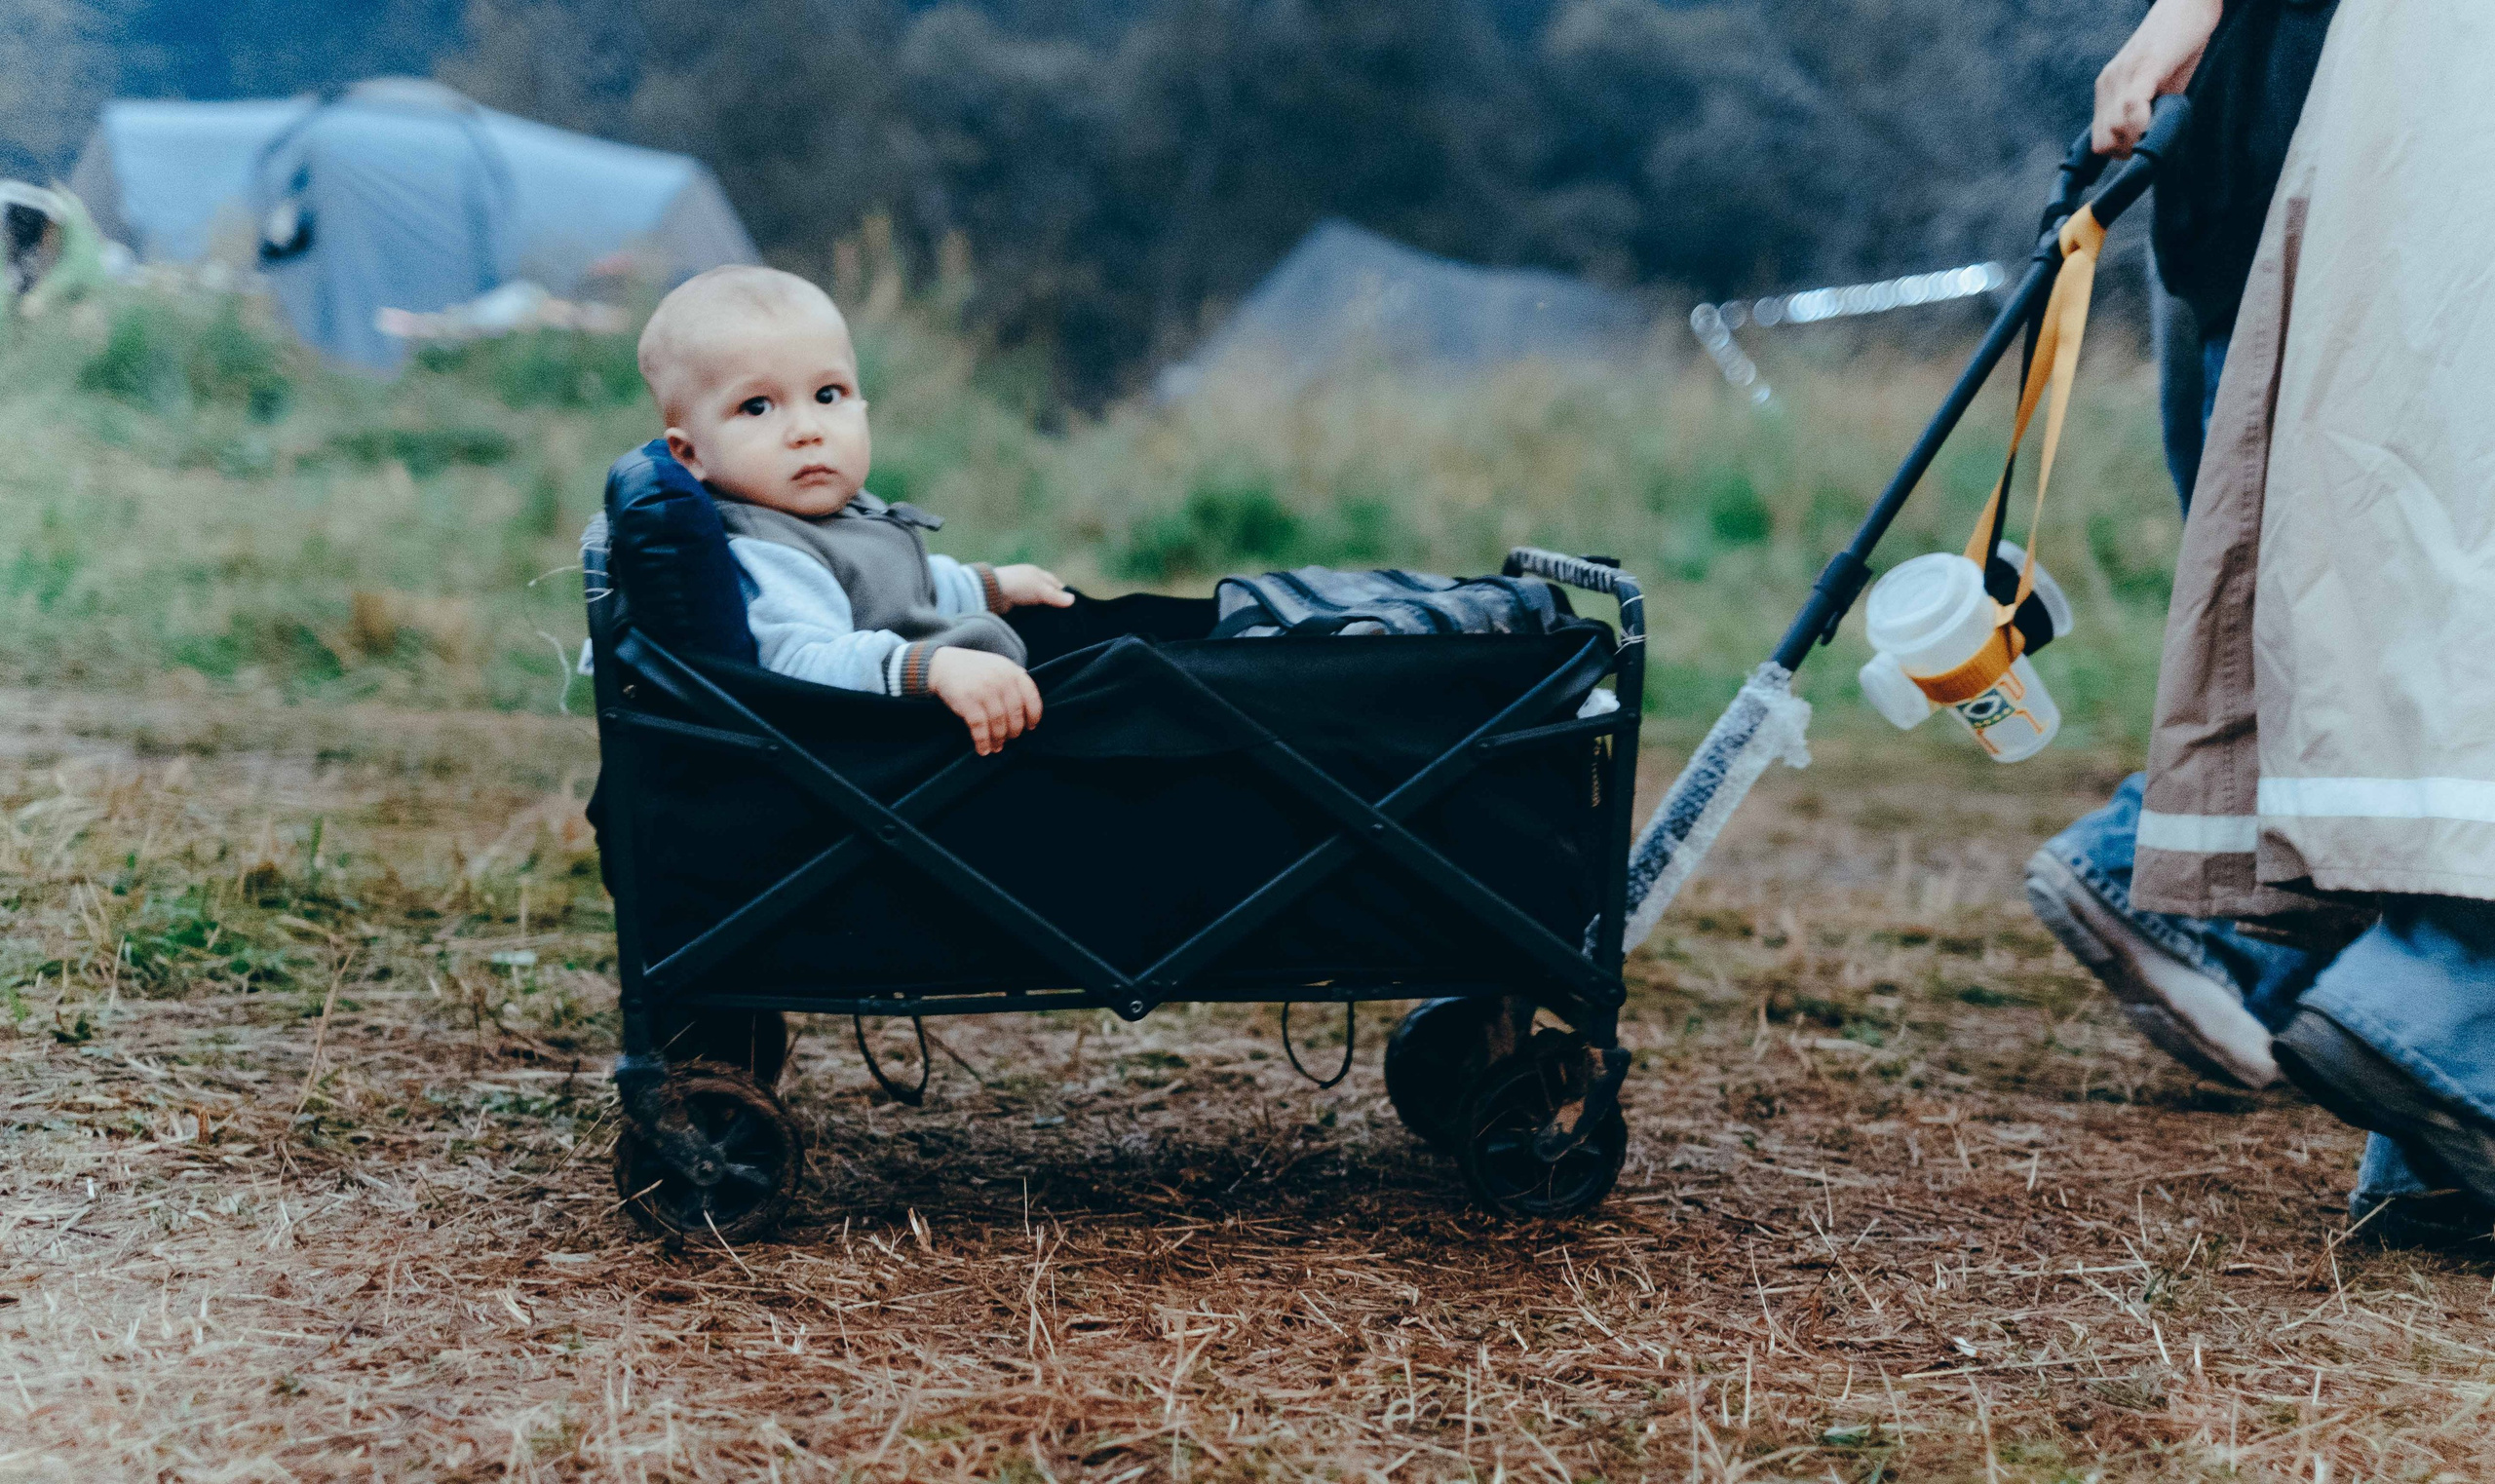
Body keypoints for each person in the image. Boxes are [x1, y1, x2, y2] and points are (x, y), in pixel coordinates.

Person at [2024, 0, 2341, 1093]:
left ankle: (2299, 980)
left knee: (2265, 585)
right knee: (2318, 600)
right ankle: (2167, 887)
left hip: (2244, 195)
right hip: (2299, 187)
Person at [635, 266, 1074, 755]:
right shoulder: (769, 549)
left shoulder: (829, 508)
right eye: (757, 406)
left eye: (827, 395)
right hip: (909, 750)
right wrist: (930, 668)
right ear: (691, 454)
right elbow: (802, 665)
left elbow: (891, 589)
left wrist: (986, 586)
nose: (808, 430)